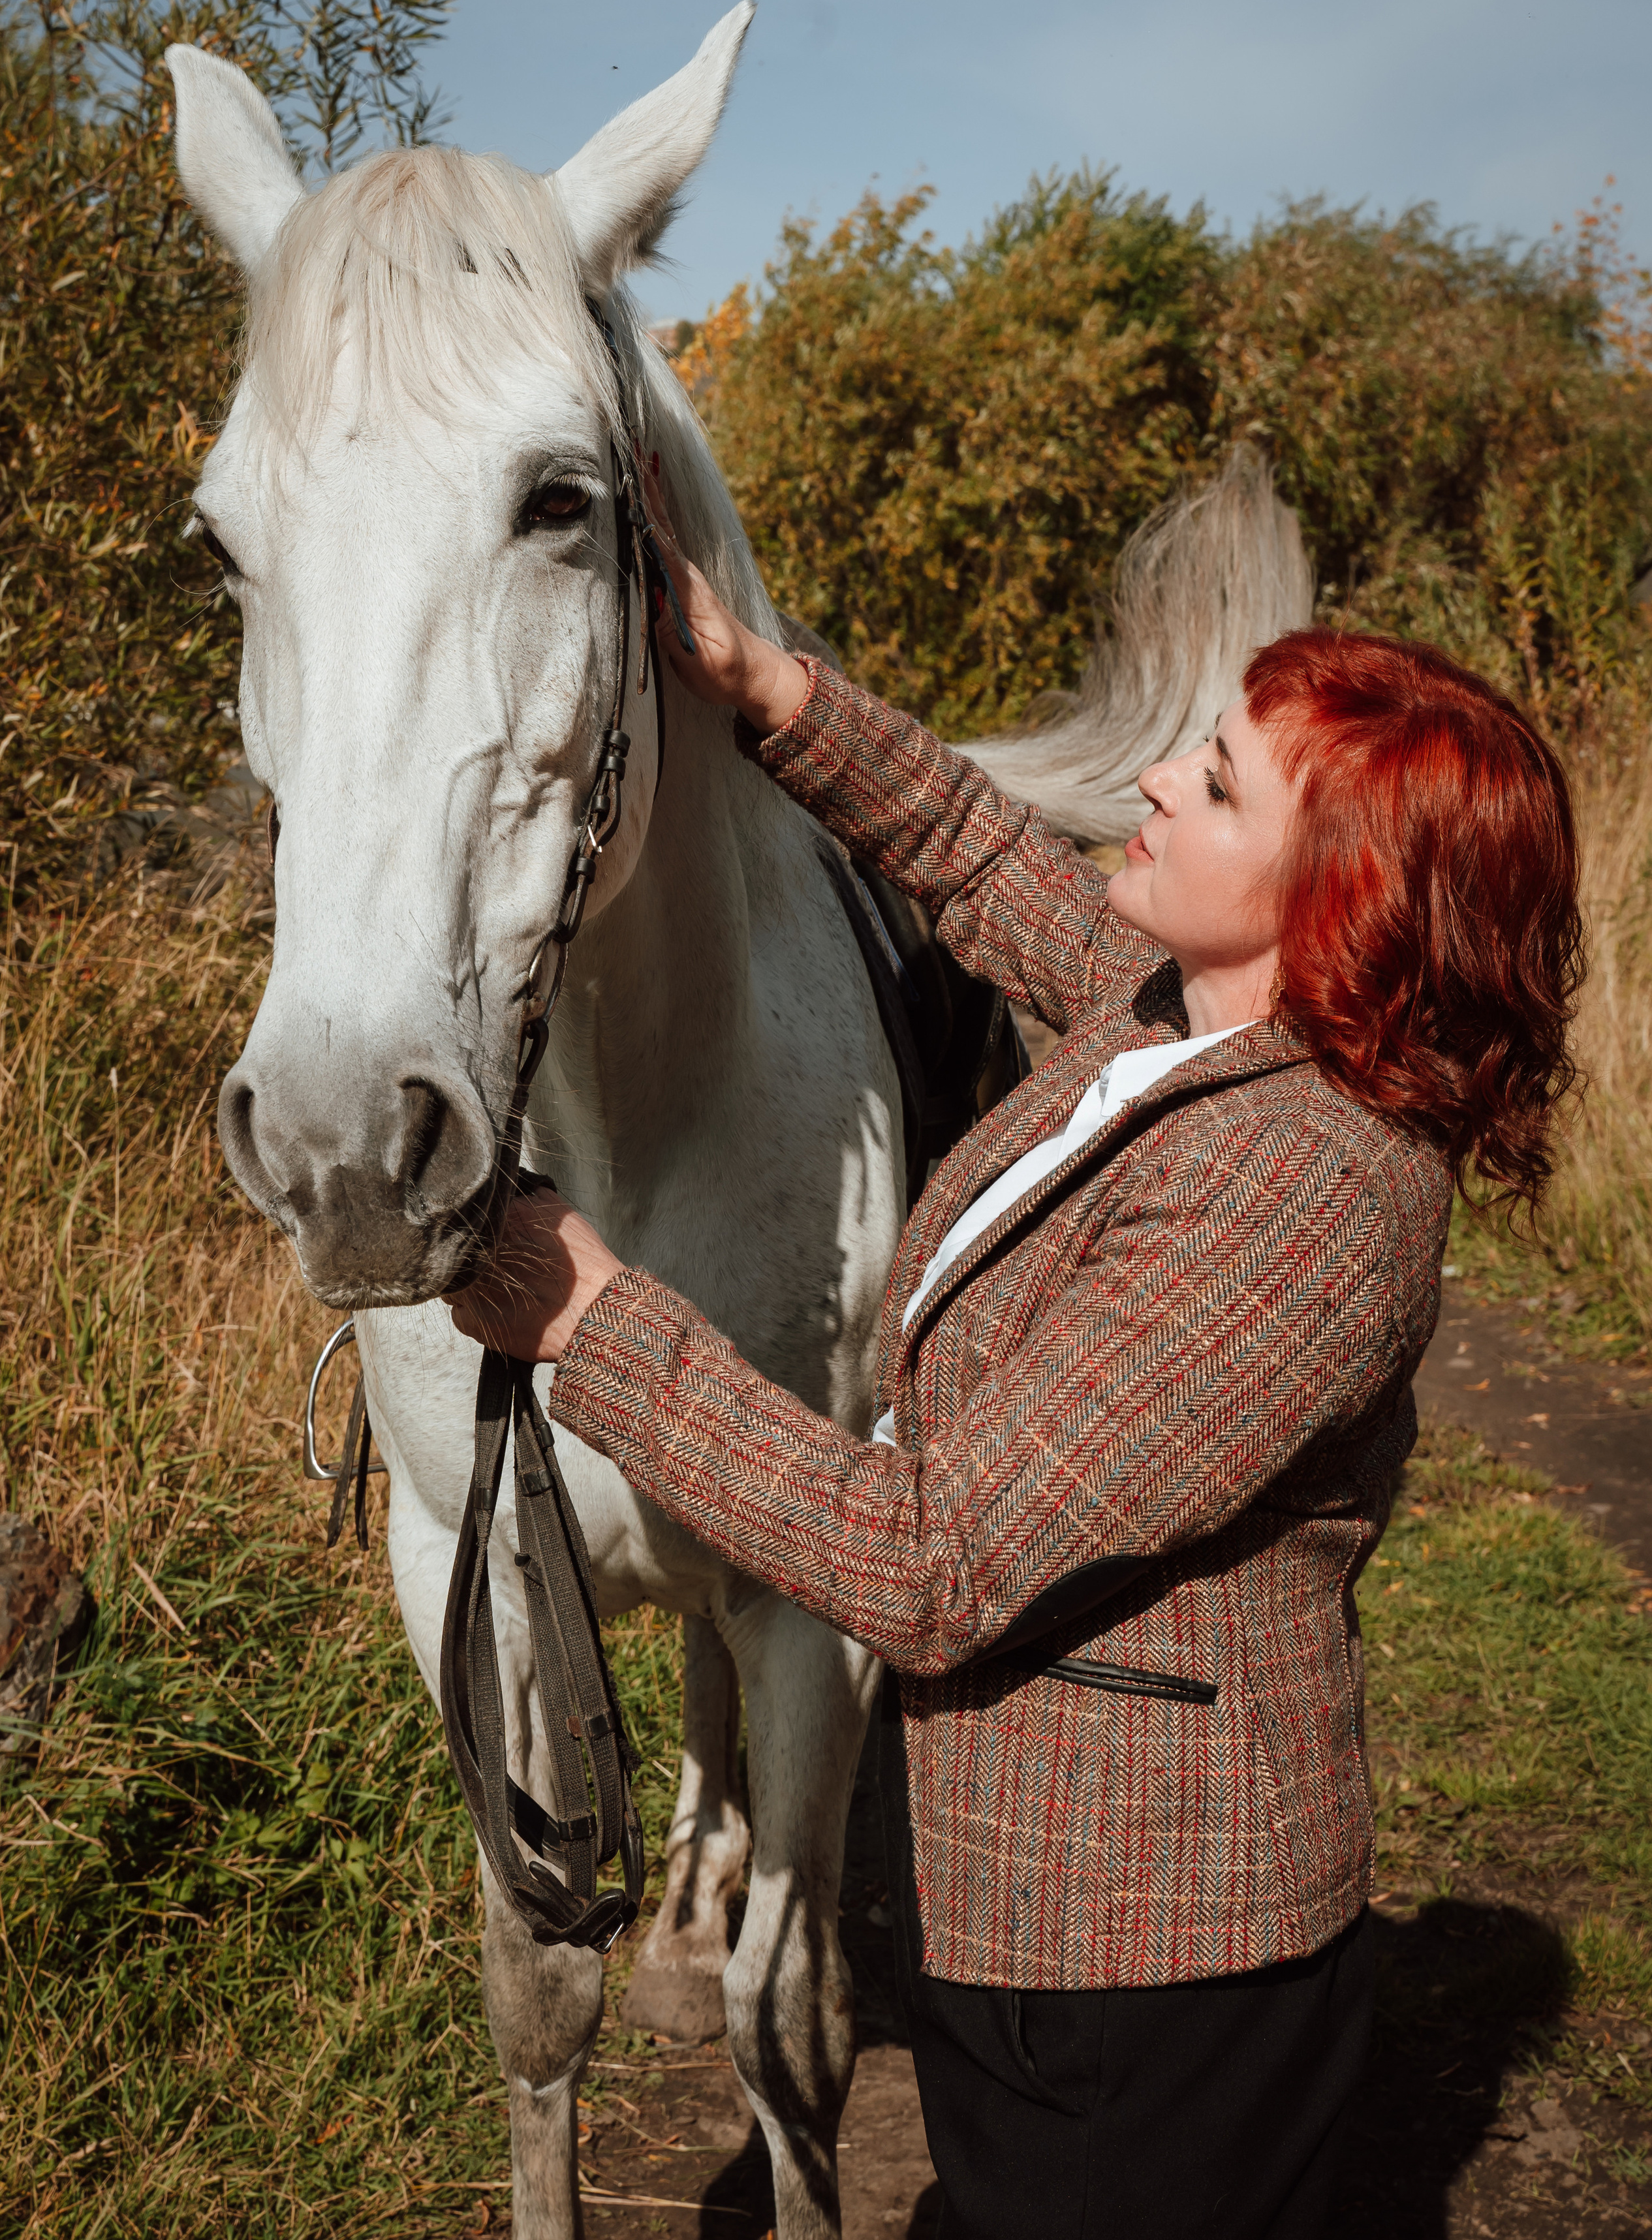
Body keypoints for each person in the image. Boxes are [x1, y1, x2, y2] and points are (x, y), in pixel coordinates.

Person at [448, 497, 1583, 2239]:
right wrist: (761, 683)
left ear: (1334, 896)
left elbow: (933, 1558)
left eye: (1213, 786)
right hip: (1041, 1912)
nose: (1153, 784)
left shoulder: (1308, 1192)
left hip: (1149, 1978)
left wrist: (596, 1319)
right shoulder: (1190, 1021)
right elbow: (979, 863)